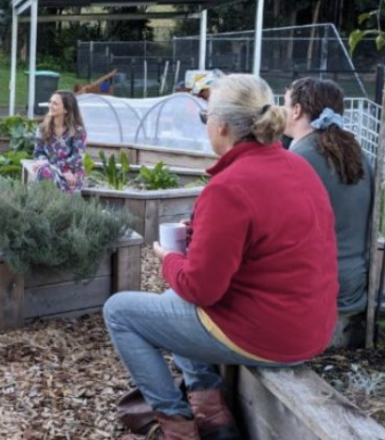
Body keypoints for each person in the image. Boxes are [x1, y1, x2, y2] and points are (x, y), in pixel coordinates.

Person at [103, 74, 337, 440]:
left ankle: (176, 425)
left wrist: (168, 258)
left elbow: (200, 289)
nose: (206, 125)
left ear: (222, 125)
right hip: (310, 328)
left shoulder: (230, 186)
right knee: (171, 301)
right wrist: (204, 235)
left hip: (270, 335)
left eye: (204, 117)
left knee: (119, 312)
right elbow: (267, 247)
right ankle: (211, 414)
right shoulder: (298, 167)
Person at [284, 78, 373, 347]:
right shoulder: (358, 154)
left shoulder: (298, 158)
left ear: (297, 110)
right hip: (354, 288)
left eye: (285, 104)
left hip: (318, 292)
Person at [31, 90, 87, 193]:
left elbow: (77, 158)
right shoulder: (42, 129)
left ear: (66, 109)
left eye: (55, 103)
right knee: (44, 172)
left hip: (72, 173)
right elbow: (38, 153)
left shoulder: (78, 131)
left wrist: (62, 169)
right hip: (50, 170)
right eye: (50, 102)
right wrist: (56, 169)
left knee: (47, 173)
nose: (50, 106)